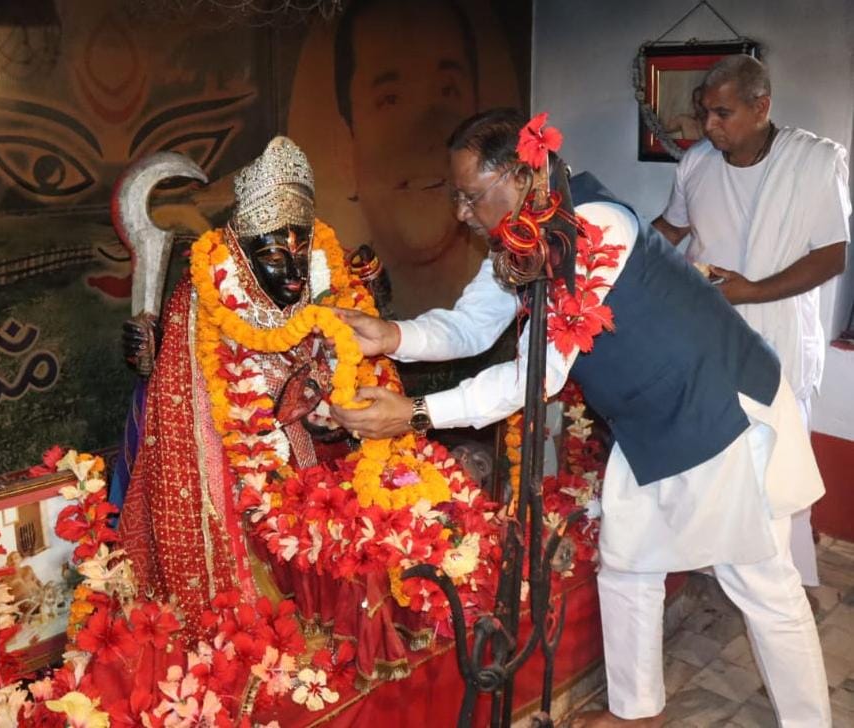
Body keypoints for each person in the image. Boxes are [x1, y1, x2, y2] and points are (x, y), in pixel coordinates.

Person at [331, 108, 831, 726]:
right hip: (652, 420)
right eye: (456, 198)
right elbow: (469, 325)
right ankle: (636, 712)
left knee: (761, 583)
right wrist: (391, 335)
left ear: (518, 176)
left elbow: (534, 373)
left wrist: (417, 412)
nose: (460, 213)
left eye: (469, 196)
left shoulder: (594, 230)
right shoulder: (518, 240)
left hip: (717, 407)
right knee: (628, 564)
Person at [118, 137, 350, 637]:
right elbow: (181, 414)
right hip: (232, 483)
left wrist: (326, 405)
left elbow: (343, 369)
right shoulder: (201, 300)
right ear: (240, 254)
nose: (291, 272)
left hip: (315, 478)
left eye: (300, 251)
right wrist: (148, 357)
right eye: (271, 254)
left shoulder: (323, 282)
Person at [653, 54, 850, 588]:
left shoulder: (815, 161)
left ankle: (785, 586)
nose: (709, 126)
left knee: (780, 470)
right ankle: (715, 564)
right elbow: (671, 230)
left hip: (779, 335)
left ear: (761, 106)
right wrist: (614, 245)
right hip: (709, 337)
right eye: (704, 113)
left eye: (722, 113)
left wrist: (754, 291)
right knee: (714, 459)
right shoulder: (697, 163)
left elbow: (833, 255)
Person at [333, 0, 486, 317]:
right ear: (347, 150)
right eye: (390, 99)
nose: (425, 133)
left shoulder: (506, 283)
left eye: (447, 91)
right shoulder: (329, 305)